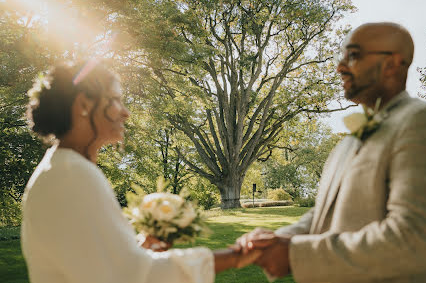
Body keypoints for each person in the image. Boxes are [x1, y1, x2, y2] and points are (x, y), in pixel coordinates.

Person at [235, 22, 426, 283]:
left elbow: (415, 240)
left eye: (354, 56)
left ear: (392, 64)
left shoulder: (425, 122)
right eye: (341, 57)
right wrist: (278, 240)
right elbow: (322, 216)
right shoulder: (346, 143)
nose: (340, 67)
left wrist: (295, 254)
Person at [22, 62, 260, 283]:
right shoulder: (73, 175)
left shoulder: (62, 168)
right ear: (84, 105)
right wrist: (236, 256)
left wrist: (137, 245)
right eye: (115, 99)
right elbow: (137, 274)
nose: (126, 113)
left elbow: (94, 262)